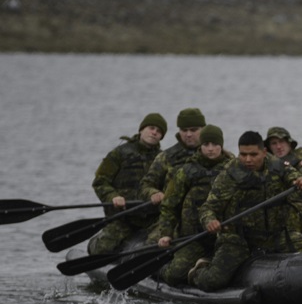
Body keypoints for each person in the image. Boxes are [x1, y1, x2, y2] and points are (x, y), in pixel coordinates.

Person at [189, 130, 302, 291]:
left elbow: (299, 188)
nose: (248, 160)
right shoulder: (230, 174)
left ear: (264, 152)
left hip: (274, 236)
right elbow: (208, 207)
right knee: (212, 281)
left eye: (253, 154)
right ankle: (199, 270)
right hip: (239, 240)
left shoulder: (278, 167)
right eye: (243, 154)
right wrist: (210, 221)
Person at [147, 125, 234, 286]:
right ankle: (160, 269)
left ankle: (204, 265)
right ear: (200, 146)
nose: (210, 149)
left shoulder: (232, 169)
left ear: (221, 146)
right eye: (206, 144)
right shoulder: (186, 171)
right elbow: (169, 206)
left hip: (224, 236)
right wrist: (166, 233)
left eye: (215, 144)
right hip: (193, 238)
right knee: (175, 275)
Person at [88, 112, 166, 253]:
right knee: (102, 248)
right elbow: (100, 181)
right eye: (151, 128)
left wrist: (161, 195)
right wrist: (112, 197)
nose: (154, 132)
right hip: (123, 217)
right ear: (141, 130)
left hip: (151, 219)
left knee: (155, 244)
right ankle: (94, 244)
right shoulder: (119, 154)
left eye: (159, 131)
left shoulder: (164, 159)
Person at [140, 107, 207, 206]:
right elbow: (145, 185)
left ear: (203, 129)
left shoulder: (217, 154)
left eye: (193, 130)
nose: (188, 134)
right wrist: (153, 193)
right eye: (184, 130)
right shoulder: (166, 157)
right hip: (173, 212)